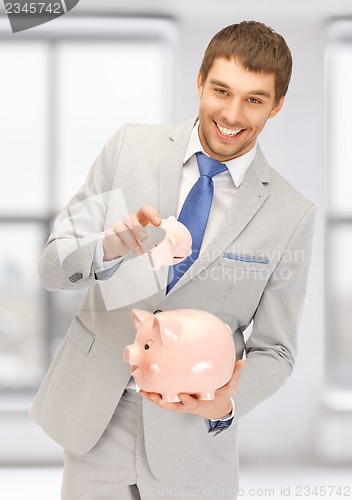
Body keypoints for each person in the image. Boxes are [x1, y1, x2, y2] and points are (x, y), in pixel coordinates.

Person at [30, 20, 316, 499]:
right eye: (221, 90)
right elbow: (53, 267)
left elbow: (277, 350)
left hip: (195, 442)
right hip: (96, 419)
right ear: (199, 81)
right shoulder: (127, 149)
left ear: (277, 105)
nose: (231, 113)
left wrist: (225, 402)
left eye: (254, 99)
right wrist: (109, 246)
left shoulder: (292, 214)